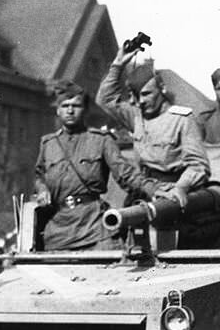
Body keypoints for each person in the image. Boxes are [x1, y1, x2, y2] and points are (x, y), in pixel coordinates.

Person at [34, 81, 154, 251]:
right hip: (59, 230)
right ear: (57, 110)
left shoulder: (101, 140)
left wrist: (155, 191)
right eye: (65, 105)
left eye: (76, 106)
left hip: (94, 227)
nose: (70, 111)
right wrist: (42, 189)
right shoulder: (48, 144)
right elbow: (39, 176)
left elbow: (126, 174)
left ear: (85, 110)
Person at [96, 42, 210, 209]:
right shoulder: (136, 117)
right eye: (137, 96)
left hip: (173, 193)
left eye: (147, 94)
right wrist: (118, 65)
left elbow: (198, 166)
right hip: (145, 191)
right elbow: (105, 100)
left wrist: (181, 188)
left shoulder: (181, 119)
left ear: (162, 88)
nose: (141, 101)